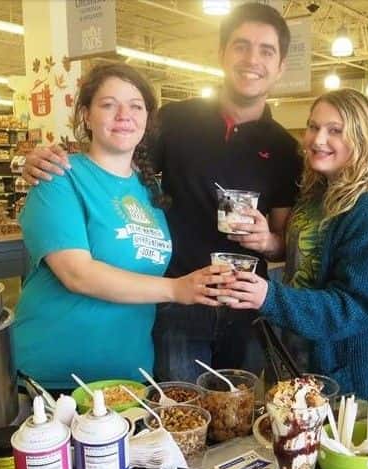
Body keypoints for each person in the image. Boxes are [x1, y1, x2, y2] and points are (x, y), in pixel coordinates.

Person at [21, 3, 303, 384]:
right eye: (241, 45)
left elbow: (284, 242)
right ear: (222, 54)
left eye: (266, 50)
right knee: (177, 418)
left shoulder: (286, 148)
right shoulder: (174, 121)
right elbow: (117, 161)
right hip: (174, 305)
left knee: (238, 418)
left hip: (244, 304)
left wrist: (267, 239)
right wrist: (48, 160)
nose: (252, 59)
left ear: (282, 66)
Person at [12, 63, 232, 390]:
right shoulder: (58, 178)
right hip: (54, 377)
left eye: (135, 105)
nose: (123, 114)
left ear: (147, 119)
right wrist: (176, 289)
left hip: (128, 377)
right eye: (108, 104)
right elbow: (76, 273)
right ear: (85, 115)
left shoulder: (149, 190)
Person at [222, 89, 368, 398]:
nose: (318, 139)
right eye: (313, 127)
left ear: (363, 138)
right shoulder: (319, 191)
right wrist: (270, 241)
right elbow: (310, 257)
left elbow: (352, 307)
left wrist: (269, 297)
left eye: (335, 130)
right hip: (293, 351)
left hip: (340, 374)